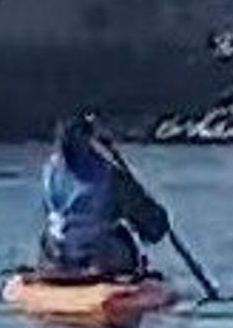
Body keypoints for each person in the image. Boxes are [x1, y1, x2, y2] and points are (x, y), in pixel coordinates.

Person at [38, 115, 170, 279]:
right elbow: (151, 225)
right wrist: (158, 218)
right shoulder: (110, 176)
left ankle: (61, 266)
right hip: (99, 255)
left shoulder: (49, 171)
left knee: (53, 234)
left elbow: (49, 213)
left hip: (57, 254)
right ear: (87, 138)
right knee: (121, 235)